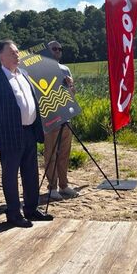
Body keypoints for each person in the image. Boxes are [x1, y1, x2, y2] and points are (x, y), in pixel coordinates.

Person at [0, 39, 54, 228]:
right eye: (12, 53)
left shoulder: (24, 74)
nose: (17, 55)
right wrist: (3, 128)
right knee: (10, 175)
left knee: (31, 173)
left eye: (17, 52)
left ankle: (31, 209)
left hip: (30, 131)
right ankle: (13, 213)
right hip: (9, 135)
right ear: (1, 56)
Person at [43, 40, 79, 201]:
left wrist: (71, 87)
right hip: (50, 117)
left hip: (66, 116)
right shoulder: (40, 70)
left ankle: (64, 185)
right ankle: (52, 187)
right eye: (54, 49)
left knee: (64, 153)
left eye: (59, 49)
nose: (57, 51)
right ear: (47, 51)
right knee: (51, 153)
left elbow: (72, 94)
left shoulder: (65, 69)